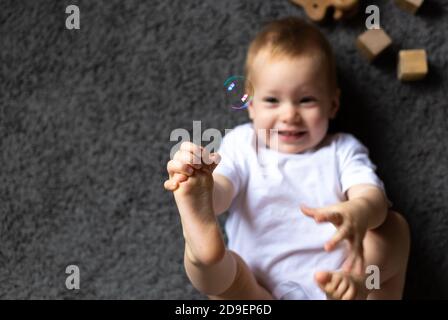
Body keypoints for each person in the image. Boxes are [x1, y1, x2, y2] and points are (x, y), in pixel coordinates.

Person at [164, 17, 410, 300]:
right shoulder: (244, 144)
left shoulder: (341, 149)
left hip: (339, 284)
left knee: (392, 228)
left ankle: (359, 280)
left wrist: (359, 211)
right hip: (258, 293)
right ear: (251, 105)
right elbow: (222, 195)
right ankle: (201, 252)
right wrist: (204, 188)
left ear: (333, 104)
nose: (290, 115)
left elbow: (373, 199)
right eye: (272, 100)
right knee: (225, 272)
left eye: (306, 100)